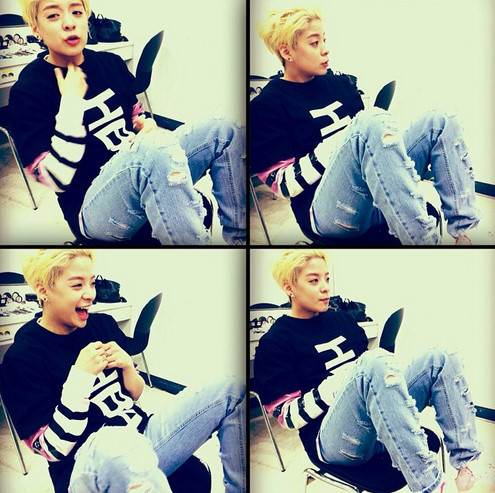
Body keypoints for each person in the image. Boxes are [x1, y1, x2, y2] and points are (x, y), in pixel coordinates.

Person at [1, 249, 246, 493]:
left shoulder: (102, 325)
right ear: (43, 290)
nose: (90, 295)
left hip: (142, 436)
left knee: (231, 389)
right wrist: (80, 379)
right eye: (77, 285)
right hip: (87, 466)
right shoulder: (22, 358)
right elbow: (52, 450)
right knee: (114, 440)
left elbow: (135, 395)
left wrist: (128, 366)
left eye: (92, 283)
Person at [253, 249, 493, 493]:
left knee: (441, 357)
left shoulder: (341, 319)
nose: (325, 287)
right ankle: (430, 486)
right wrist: (336, 386)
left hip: (375, 423)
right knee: (374, 361)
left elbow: (368, 374)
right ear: (289, 288)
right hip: (332, 441)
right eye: (314, 280)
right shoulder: (275, 341)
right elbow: (288, 418)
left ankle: (467, 463)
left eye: (326, 278)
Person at [9, 0, 246, 245]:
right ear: (35, 27)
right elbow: (54, 179)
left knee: (225, 129)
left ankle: (239, 242)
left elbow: (135, 113)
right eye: (53, 16)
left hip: (136, 166)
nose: (69, 23)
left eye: (77, 12)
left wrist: (146, 125)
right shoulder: (28, 90)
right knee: (153, 150)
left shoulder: (110, 63)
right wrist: (71, 104)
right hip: (89, 206)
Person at [250, 7, 480, 245]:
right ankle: (426, 244)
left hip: (372, 195)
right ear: (287, 52)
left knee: (440, 120)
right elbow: (283, 185)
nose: (325, 49)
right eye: (314, 43)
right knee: (368, 121)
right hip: (326, 213)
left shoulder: (340, 83)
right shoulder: (266, 106)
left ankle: (464, 233)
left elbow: (368, 142)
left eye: (324, 40)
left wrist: (368, 134)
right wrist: (344, 139)